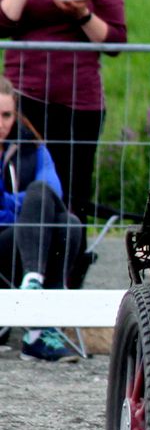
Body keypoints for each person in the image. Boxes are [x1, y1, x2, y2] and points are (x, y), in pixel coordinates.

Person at [0, 0, 128, 221]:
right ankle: (18, 260)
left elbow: (115, 41)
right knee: (20, 178)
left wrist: (83, 14)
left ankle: (69, 266)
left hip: (79, 104)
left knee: (74, 190)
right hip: (23, 100)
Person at [0, 76, 84, 362]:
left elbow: (51, 191)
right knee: (40, 203)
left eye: (7, 115)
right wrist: (24, 207)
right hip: (4, 244)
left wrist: (12, 204)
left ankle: (34, 294)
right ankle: (40, 326)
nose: (1, 122)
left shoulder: (32, 146)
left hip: (25, 243)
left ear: (16, 113)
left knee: (68, 224)